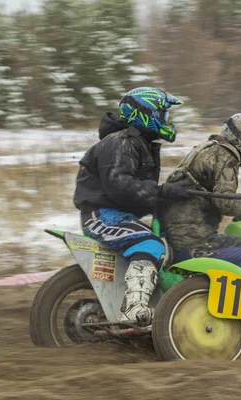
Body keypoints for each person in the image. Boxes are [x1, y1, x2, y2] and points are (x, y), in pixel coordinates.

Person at [73, 87, 198, 325]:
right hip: (102, 215)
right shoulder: (120, 142)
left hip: (117, 214)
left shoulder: (136, 142)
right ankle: (135, 310)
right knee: (149, 244)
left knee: (167, 244)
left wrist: (171, 194)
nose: (166, 121)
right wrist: (163, 192)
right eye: (162, 114)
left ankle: (156, 302)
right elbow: (119, 186)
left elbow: (136, 190)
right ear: (143, 112)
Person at [162, 113, 241, 275]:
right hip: (191, 243)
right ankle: (234, 296)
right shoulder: (225, 156)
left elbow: (215, 198)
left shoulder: (210, 149)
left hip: (182, 236)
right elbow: (227, 204)